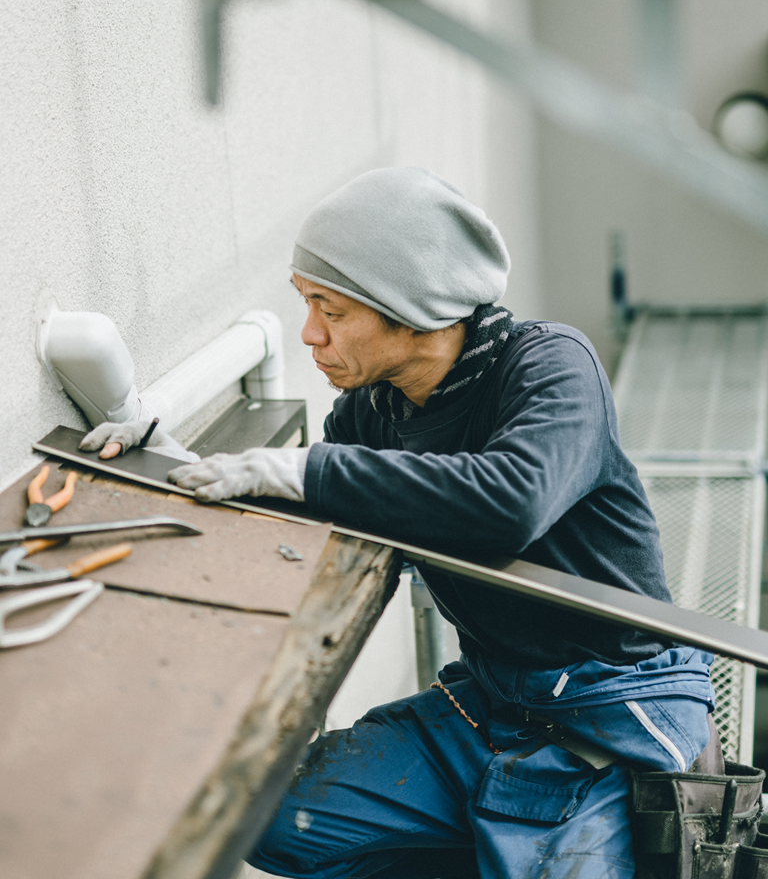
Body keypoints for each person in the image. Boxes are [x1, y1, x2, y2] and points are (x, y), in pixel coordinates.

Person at [81, 167, 717, 879]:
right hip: (493, 705)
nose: (311, 334)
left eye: (333, 310)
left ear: (411, 309)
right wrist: (173, 463)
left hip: (614, 713)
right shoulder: (373, 408)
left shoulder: (547, 365)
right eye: (306, 305)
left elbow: (509, 502)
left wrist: (301, 471)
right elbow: (318, 506)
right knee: (272, 821)